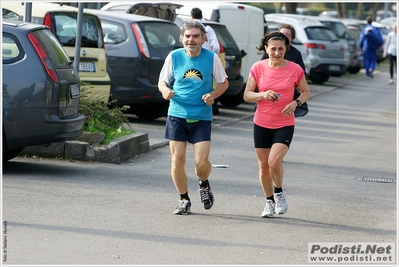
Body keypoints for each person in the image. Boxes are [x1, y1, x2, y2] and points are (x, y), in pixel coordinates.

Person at [158, 20, 229, 215]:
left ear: (203, 39)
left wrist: (212, 95)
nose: (191, 40)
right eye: (188, 36)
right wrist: (165, 91)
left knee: (201, 163)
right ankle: (184, 200)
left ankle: (204, 183)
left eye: (196, 36)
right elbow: (162, 81)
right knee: (177, 160)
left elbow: (223, 83)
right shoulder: (174, 57)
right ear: (182, 38)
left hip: (202, 117)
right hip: (177, 114)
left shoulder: (211, 58)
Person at [243, 32, 311, 218]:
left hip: (284, 123)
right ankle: (269, 201)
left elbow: (306, 92)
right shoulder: (257, 68)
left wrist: (296, 102)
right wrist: (262, 95)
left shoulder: (295, 69)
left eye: (281, 48)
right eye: (273, 48)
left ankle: (279, 192)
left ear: (286, 49)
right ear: (266, 49)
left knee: (274, 162)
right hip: (262, 122)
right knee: (264, 166)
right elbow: (247, 95)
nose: (276, 52)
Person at [191, 7, 222, 117]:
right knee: (207, 86)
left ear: (191, 16)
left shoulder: (186, 29)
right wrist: (212, 58)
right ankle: (210, 111)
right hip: (206, 63)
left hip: (191, 60)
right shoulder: (208, 28)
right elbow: (217, 47)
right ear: (201, 16)